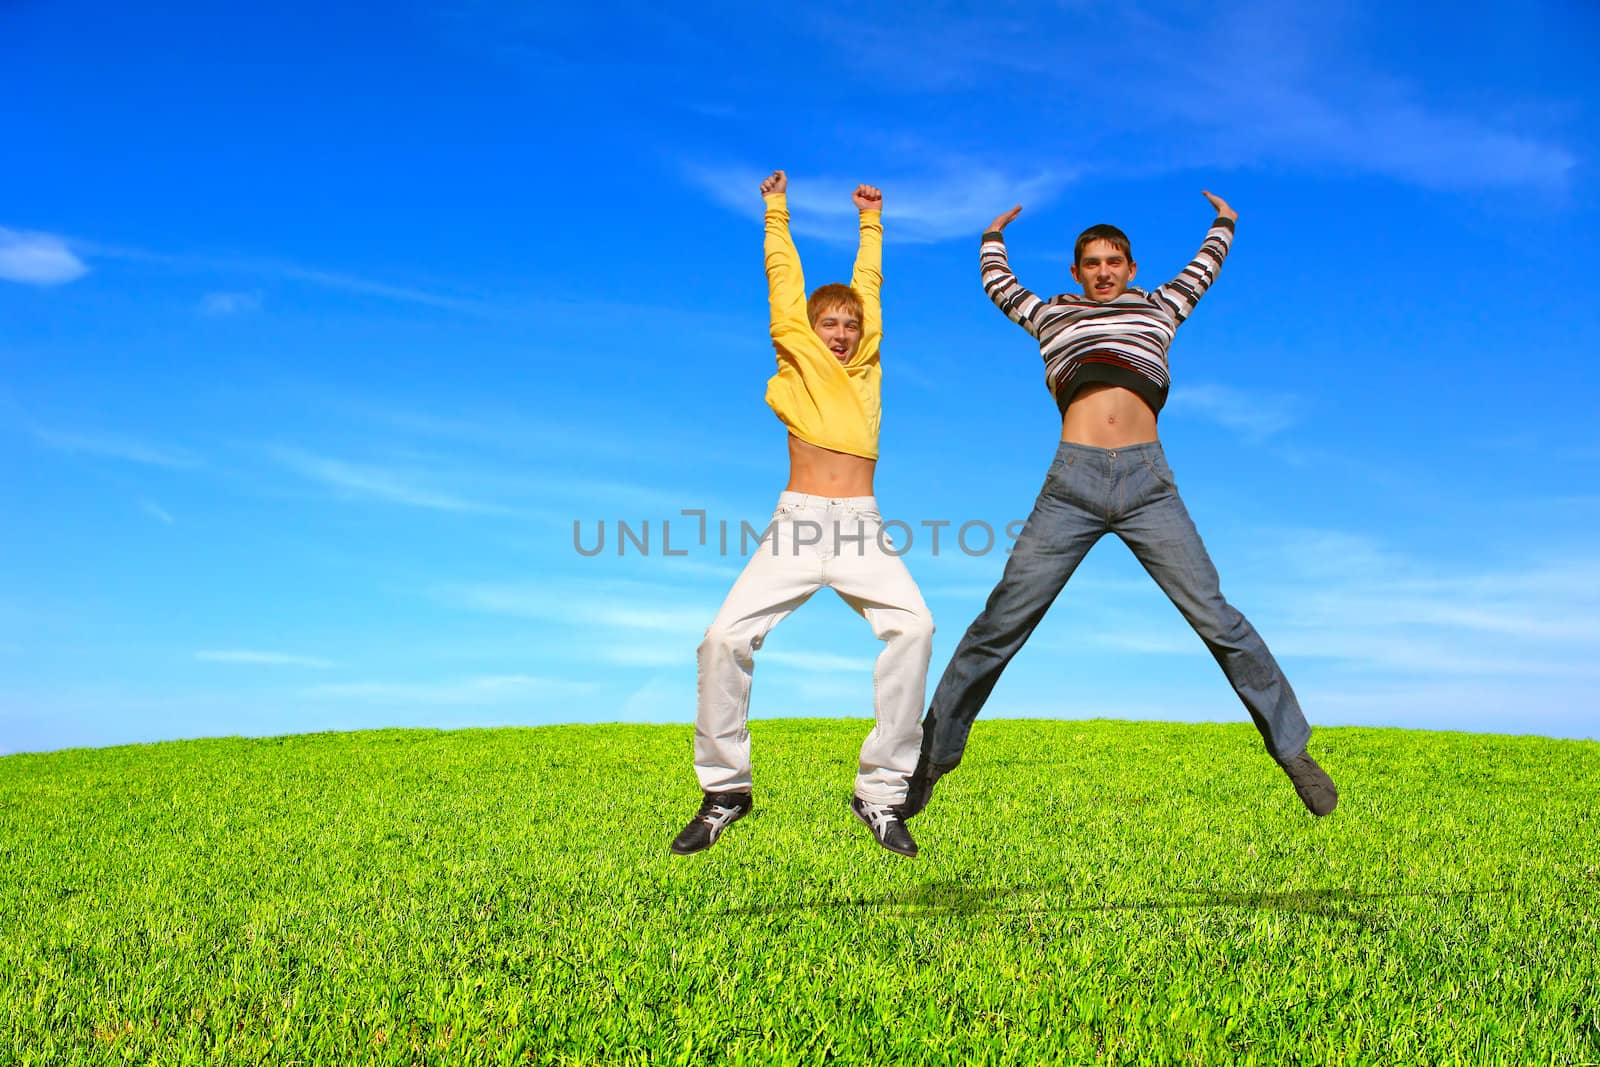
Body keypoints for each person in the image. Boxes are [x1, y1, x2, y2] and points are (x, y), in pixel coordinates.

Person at [903, 192, 1337, 820]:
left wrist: (1226, 223)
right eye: (1091, 263)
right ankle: (930, 760)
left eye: (1113, 262)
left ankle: (1293, 750)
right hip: (1072, 485)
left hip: (1148, 484)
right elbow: (1000, 287)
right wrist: (992, 238)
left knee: (1217, 618)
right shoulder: (1053, 315)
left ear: (1130, 269)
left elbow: (1204, 268)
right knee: (1000, 624)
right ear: (1076, 271)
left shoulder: (1161, 307)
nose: (1103, 272)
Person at [671, 170, 934, 858]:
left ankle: (879, 794)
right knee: (723, 638)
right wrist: (775, 209)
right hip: (797, 523)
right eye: (830, 323)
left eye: (850, 325)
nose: (842, 333)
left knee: (915, 627)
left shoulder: (867, 368)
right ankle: (725, 790)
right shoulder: (796, 357)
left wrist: (871, 222)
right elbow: (783, 282)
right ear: (809, 331)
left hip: (859, 526)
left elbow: (868, 288)